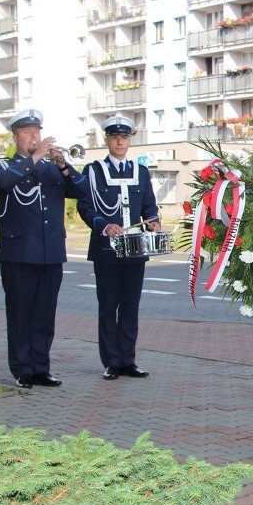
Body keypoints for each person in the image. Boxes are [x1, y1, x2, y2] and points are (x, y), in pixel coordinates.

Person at [0, 108, 90, 388]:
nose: (35, 137)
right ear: (16, 137)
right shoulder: (2, 166)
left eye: (38, 132)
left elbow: (83, 191)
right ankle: (21, 369)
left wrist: (63, 165)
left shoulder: (50, 168)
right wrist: (36, 155)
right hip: (19, 254)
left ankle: (40, 367)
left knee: (45, 315)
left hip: (50, 252)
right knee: (20, 313)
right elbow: (5, 183)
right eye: (28, 132)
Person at [76, 114, 160, 381]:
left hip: (135, 247)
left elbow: (149, 204)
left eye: (124, 137)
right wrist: (103, 224)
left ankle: (127, 360)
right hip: (107, 249)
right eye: (114, 137)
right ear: (107, 140)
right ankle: (111, 362)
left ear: (130, 140)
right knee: (108, 305)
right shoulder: (93, 171)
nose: (120, 141)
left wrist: (154, 220)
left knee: (130, 306)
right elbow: (85, 206)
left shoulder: (141, 171)